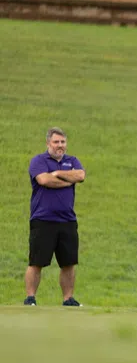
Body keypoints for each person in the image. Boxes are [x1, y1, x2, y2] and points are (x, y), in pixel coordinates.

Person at [25, 127, 86, 306]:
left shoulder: (72, 160)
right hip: (42, 219)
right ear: (48, 143)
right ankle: (30, 298)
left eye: (63, 142)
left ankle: (68, 299)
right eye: (56, 142)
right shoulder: (39, 160)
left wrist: (58, 173)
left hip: (67, 220)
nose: (60, 145)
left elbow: (81, 175)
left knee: (68, 263)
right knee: (36, 262)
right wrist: (68, 181)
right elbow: (44, 180)